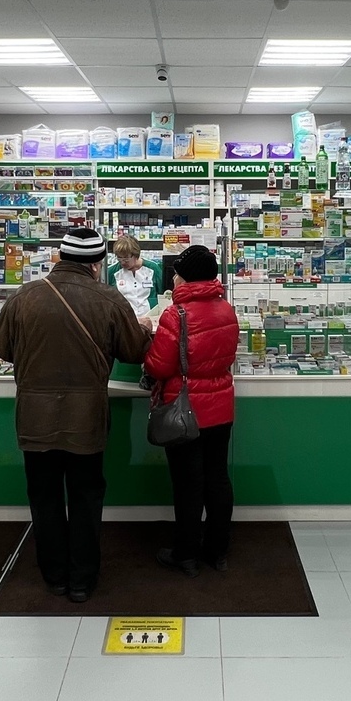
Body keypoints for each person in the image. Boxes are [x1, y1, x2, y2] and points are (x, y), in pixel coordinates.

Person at [0, 227, 152, 602]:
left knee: (44, 496)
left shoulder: (25, 296)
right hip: (86, 416)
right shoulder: (108, 298)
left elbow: (1, 346)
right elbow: (133, 351)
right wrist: (143, 329)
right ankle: (81, 580)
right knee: (85, 496)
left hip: (35, 416)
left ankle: (55, 576)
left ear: (60, 258)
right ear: (97, 264)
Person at [143, 244, 239, 577]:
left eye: (177, 274)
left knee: (188, 484)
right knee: (217, 479)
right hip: (221, 407)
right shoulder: (226, 309)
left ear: (185, 277)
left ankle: (186, 554)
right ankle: (218, 550)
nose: (173, 279)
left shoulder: (176, 314)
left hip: (185, 410)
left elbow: (159, 366)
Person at [105, 235, 163, 318]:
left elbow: (163, 294)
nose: (123, 262)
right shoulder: (112, 272)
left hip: (149, 318)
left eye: (126, 259)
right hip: (124, 319)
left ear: (136, 255)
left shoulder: (153, 268)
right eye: (119, 258)